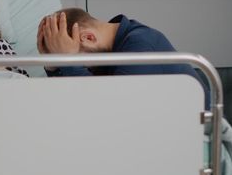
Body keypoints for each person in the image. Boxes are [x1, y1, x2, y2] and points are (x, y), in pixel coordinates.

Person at [37, 7, 210, 107]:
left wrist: (69, 60)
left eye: (81, 61)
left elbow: (112, 108)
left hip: (200, 135)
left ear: (88, 38)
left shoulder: (140, 44)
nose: (85, 70)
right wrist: (53, 64)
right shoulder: (115, 50)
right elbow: (72, 99)